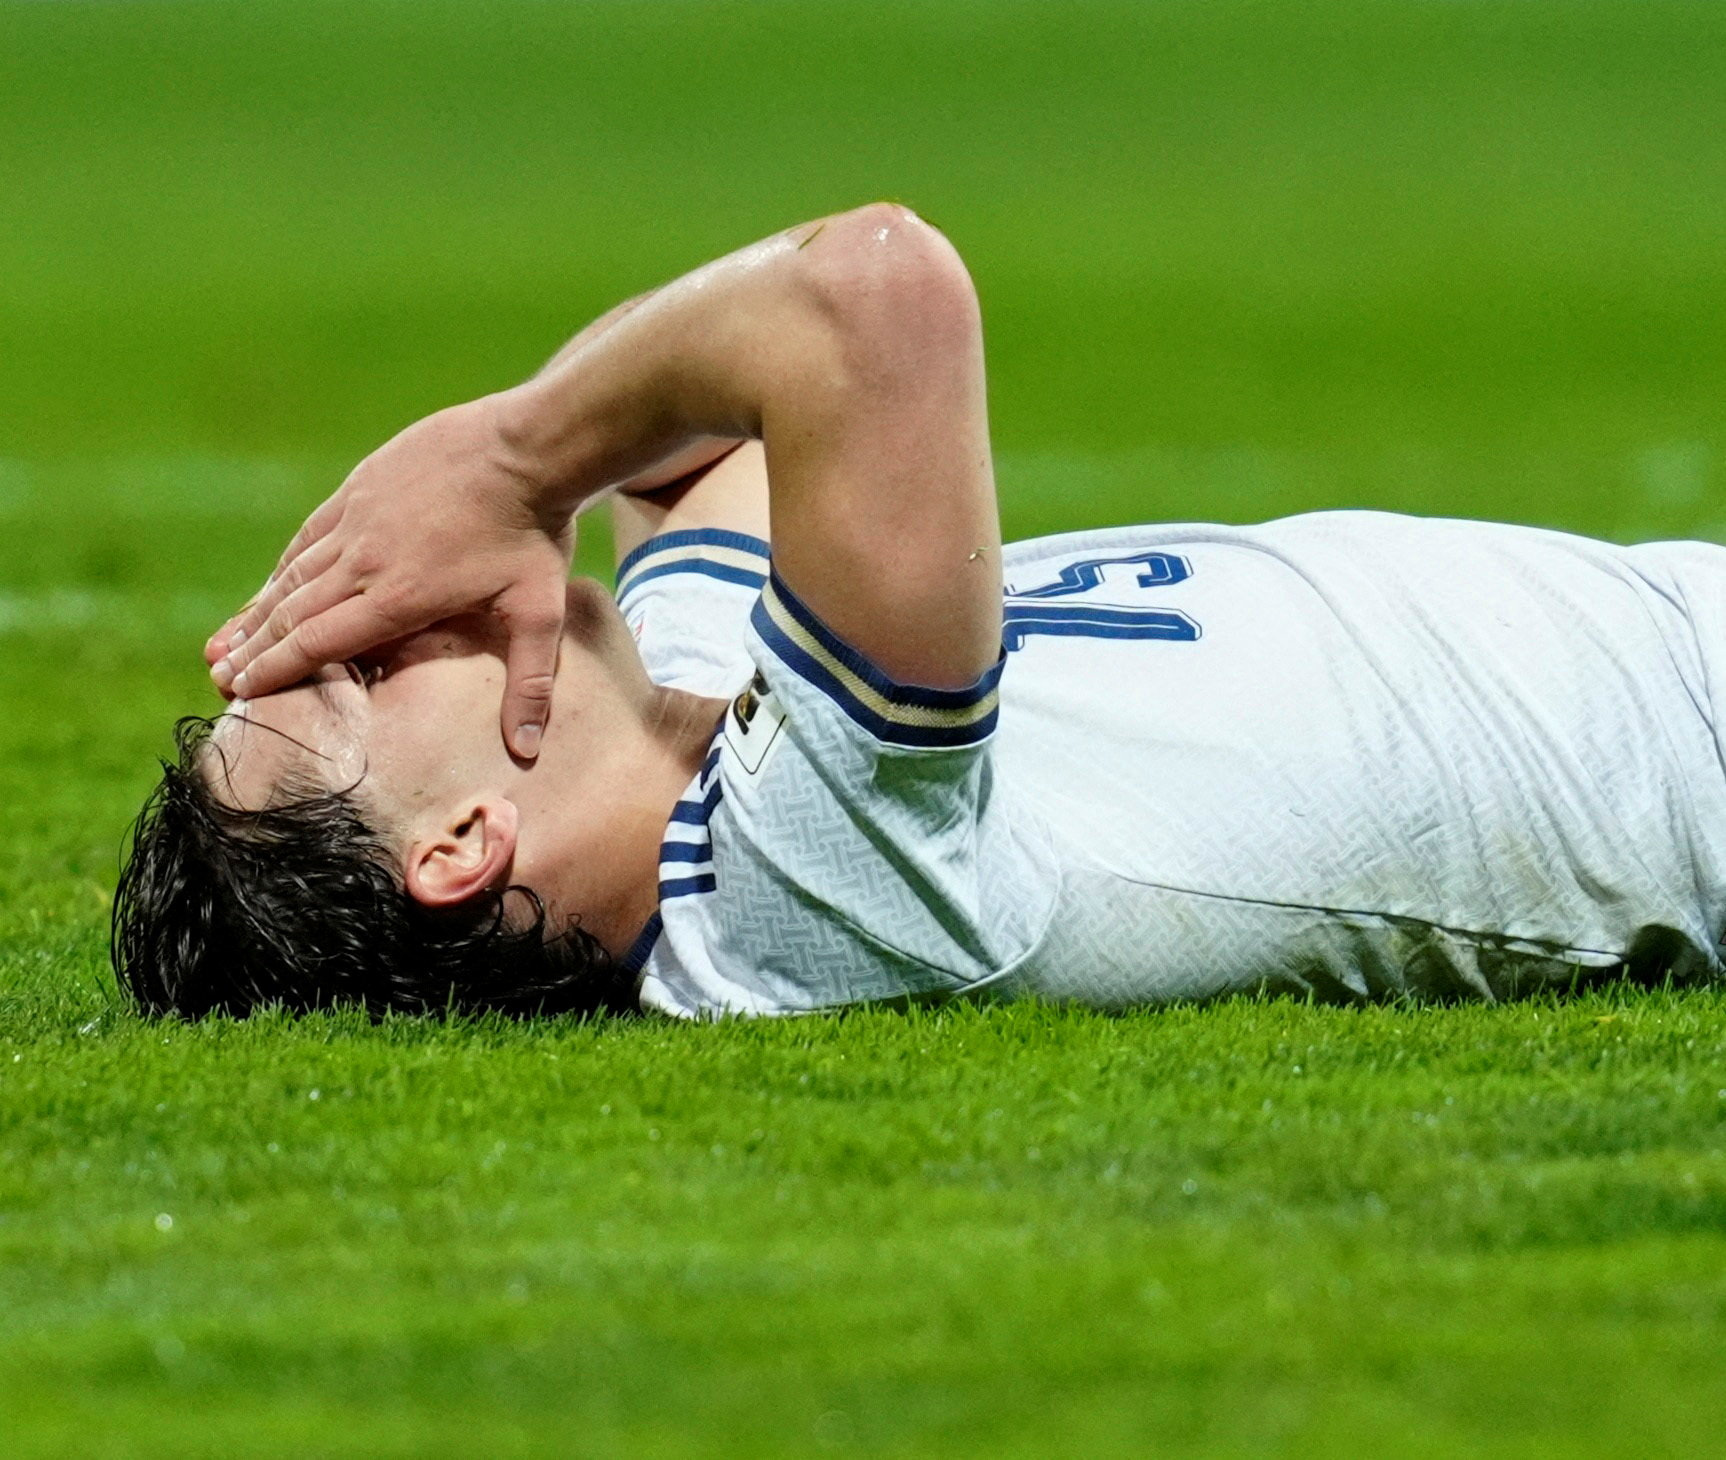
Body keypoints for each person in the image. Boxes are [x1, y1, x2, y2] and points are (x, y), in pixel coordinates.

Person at [113, 203, 1726, 1019]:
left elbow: (694, 448)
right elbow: (864, 295)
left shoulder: (693, 712)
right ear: (460, 845)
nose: (382, 613)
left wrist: (550, 463)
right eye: (352, 673)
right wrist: (512, 451)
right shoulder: (802, 897)